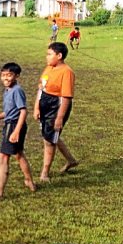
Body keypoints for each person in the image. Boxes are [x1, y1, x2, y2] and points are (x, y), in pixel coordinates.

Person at [0, 63, 35, 202]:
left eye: (9, 75)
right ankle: (29, 182)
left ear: (17, 76)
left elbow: (23, 111)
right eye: (3, 75)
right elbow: (9, 111)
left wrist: (16, 131)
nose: (6, 78)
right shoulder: (8, 90)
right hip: (10, 124)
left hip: (13, 126)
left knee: (3, 158)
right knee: (18, 154)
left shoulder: (17, 90)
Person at [34, 42, 78, 182]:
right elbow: (41, 88)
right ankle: (71, 160)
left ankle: (45, 173)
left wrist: (59, 117)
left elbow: (66, 97)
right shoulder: (49, 68)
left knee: (49, 140)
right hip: (45, 103)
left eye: (49, 54)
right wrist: (36, 107)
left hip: (57, 106)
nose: (46, 57)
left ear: (59, 56)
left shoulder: (67, 72)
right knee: (51, 136)